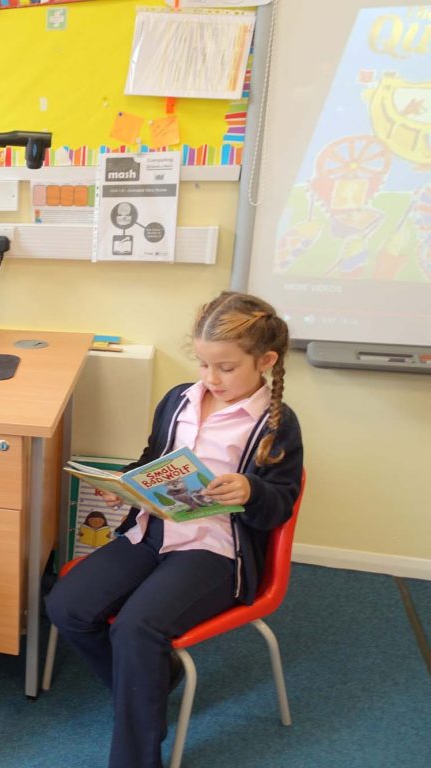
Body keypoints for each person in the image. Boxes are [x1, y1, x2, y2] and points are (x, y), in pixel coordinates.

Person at [45, 291, 303, 768]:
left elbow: (279, 507)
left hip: (215, 551)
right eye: (204, 364)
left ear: (265, 361)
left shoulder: (276, 425)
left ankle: (137, 751)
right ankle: (149, 686)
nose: (211, 379)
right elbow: (152, 462)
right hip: (153, 531)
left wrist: (250, 490)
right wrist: (126, 484)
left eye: (226, 367)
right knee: (66, 606)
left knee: (137, 630)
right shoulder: (178, 401)